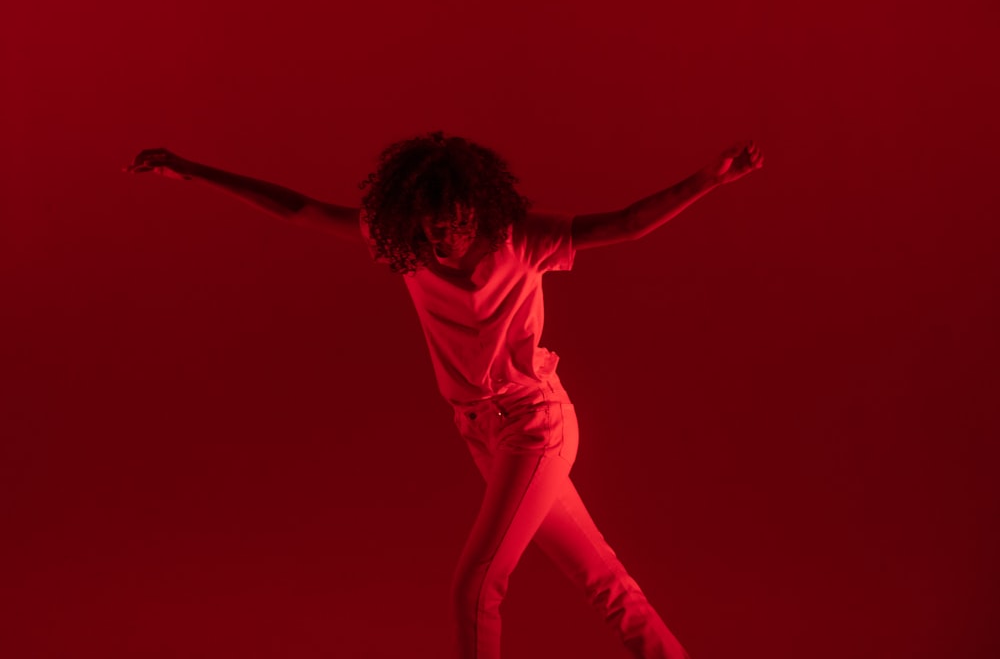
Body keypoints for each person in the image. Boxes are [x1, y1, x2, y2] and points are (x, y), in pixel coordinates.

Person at [125, 131, 763, 658]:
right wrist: (194, 170)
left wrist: (709, 179)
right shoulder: (402, 247)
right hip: (481, 432)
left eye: (453, 227)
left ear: (477, 209)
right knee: (604, 581)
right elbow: (298, 208)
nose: (443, 243)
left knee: (476, 586)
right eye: (430, 231)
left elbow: (625, 224)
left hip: (534, 426)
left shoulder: (524, 240)